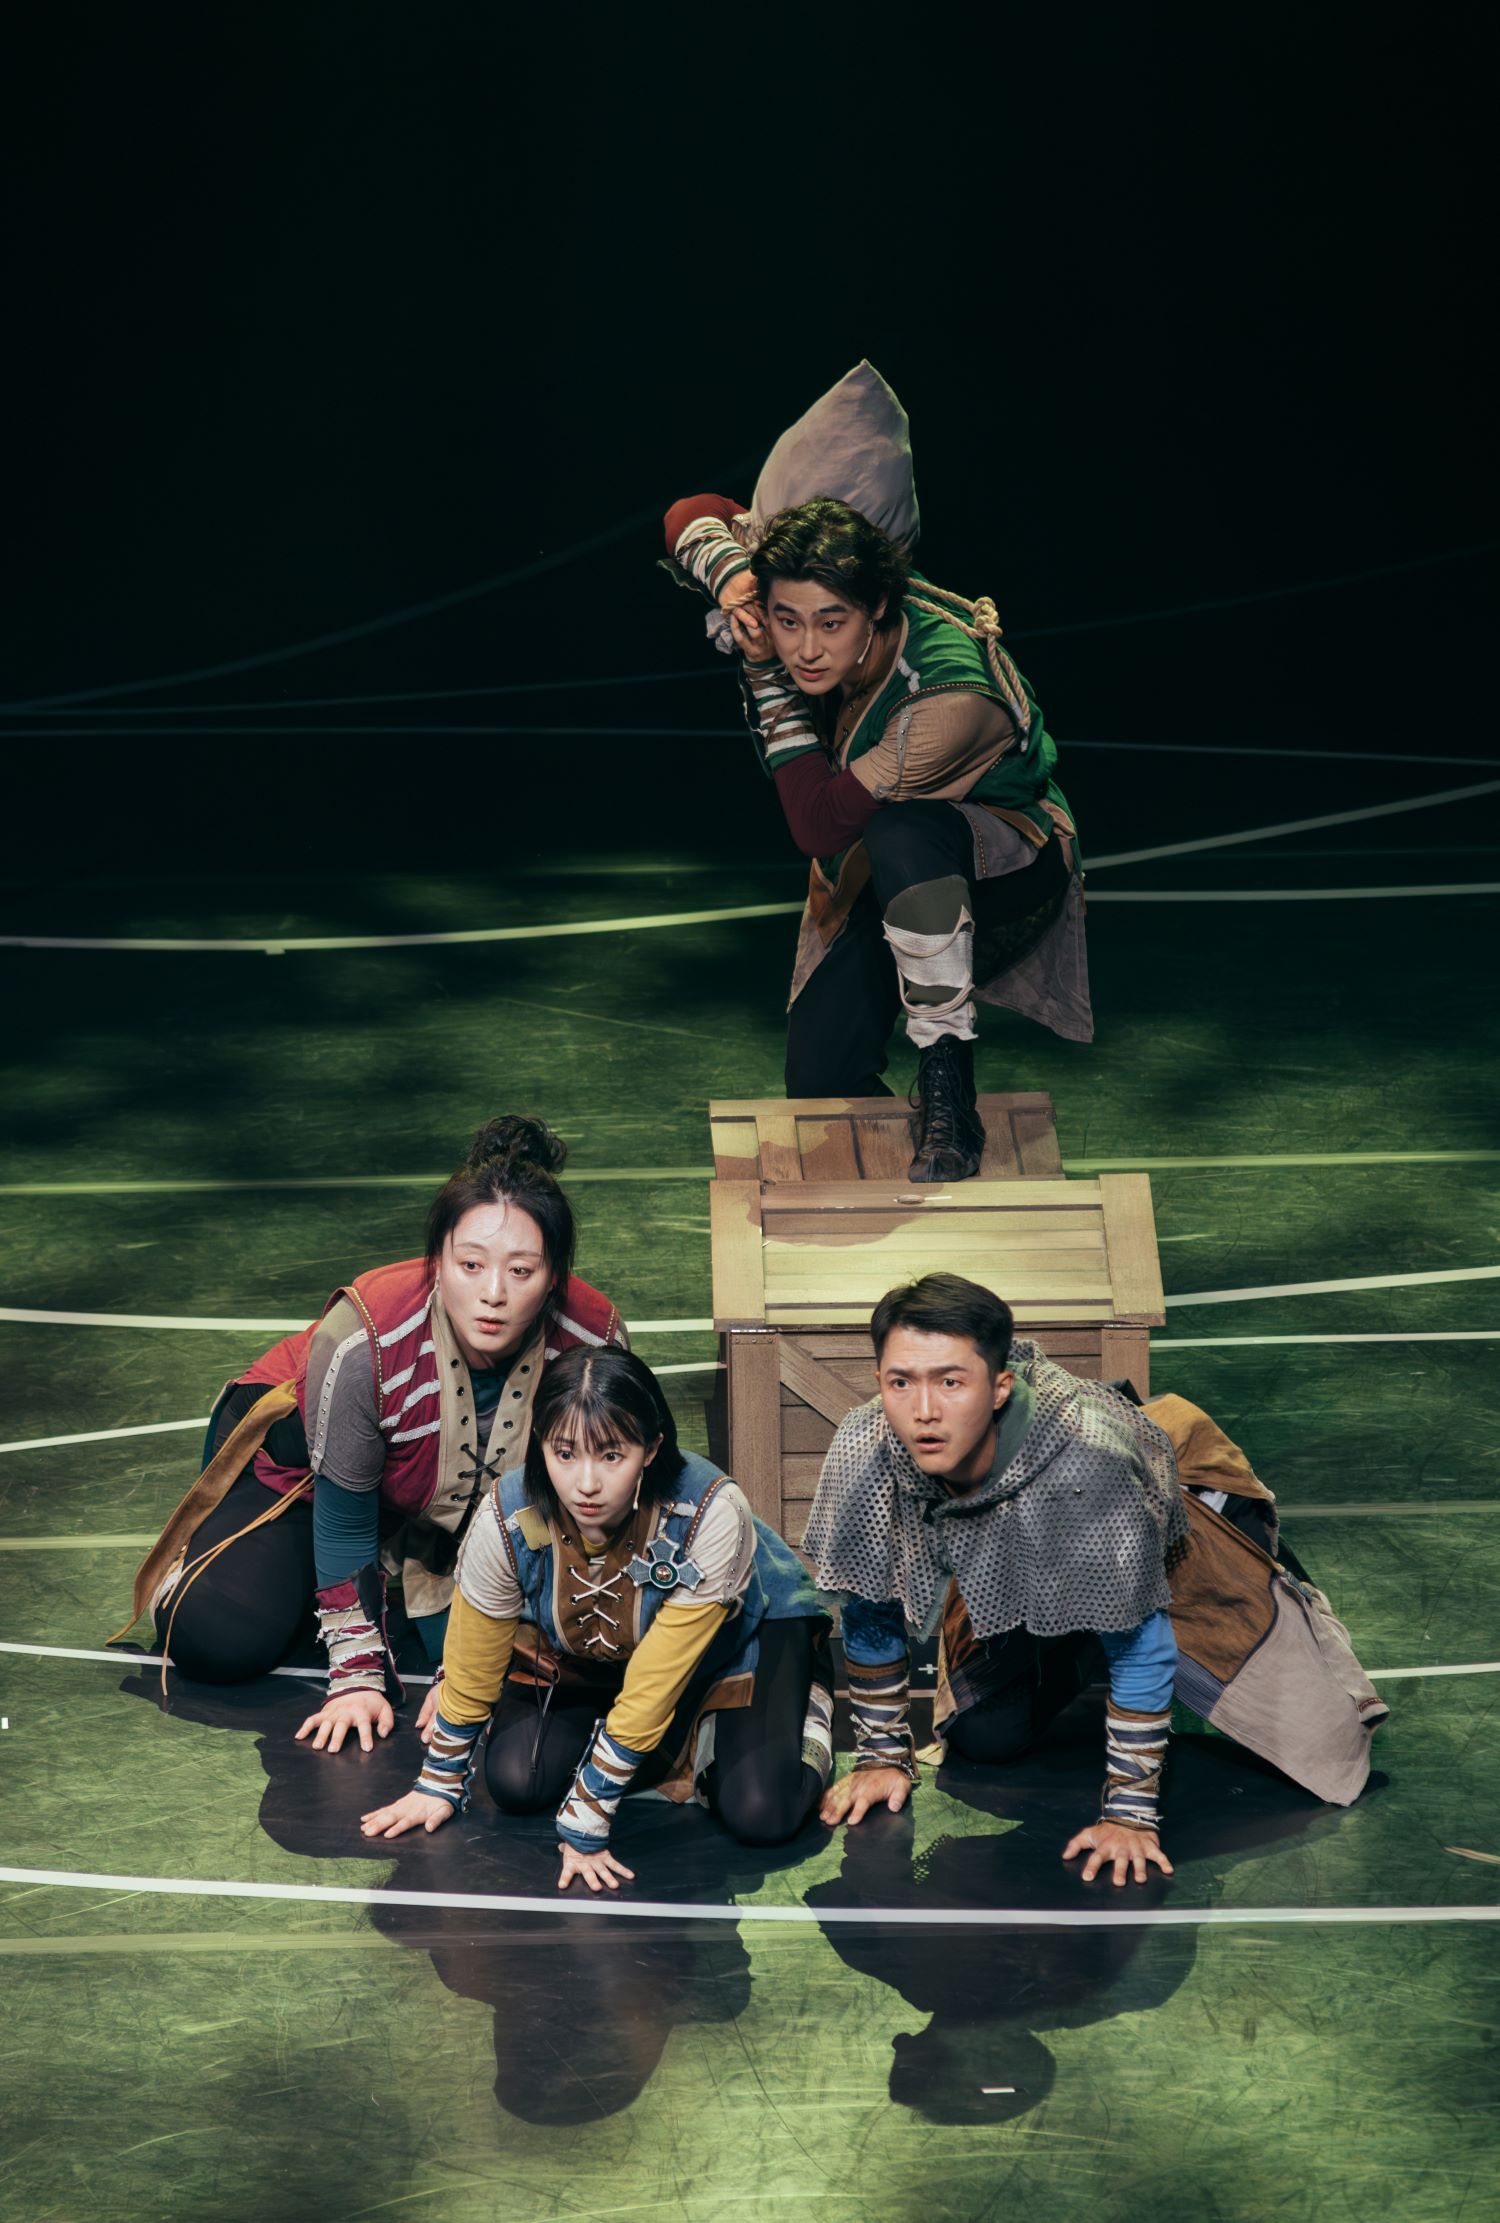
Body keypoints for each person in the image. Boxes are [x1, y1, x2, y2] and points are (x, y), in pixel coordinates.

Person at [804, 1273, 1385, 1887]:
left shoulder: (1088, 1464)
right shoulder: (863, 1448)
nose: (924, 1411)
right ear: (878, 1381)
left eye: (951, 1382)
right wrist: (882, 1755)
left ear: (1000, 1386)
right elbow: (869, 1603)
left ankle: (1273, 1575)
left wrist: (1130, 1814)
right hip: (1015, 1545)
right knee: (986, 1734)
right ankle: (1080, 1635)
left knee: (1322, 1741)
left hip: (1172, 1530)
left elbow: (1140, 1644)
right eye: (901, 1382)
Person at [663, 389, 1090, 1183]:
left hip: (1005, 860)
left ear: (878, 607)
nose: (805, 649)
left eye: (831, 623)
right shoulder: (810, 589)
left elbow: (819, 823)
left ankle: (948, 1086)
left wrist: (763, 674)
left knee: (903, 829)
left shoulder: (946, 700)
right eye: (786, 620)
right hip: (888, 873)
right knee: (819, 1080)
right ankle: (918, 1198)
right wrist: (732, 581)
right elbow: (692, 512)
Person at [127, 1117, 624, 1757]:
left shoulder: (593, 1344)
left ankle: (392, 1574)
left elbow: (582, 1516)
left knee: (538, 1664)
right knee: (218, 1635)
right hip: (312, 1479)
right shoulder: (366, 1340)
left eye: (522, 1270)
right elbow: (344, 1518)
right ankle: (253, 1572)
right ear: (438, 1262)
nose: (494, 1294)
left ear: (554, 1277)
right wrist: (357, 1674)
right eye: (471, 1265)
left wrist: (470, 1667)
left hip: (463, 1507)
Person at [360, 1347, 835, 1891]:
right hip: (597, 1653)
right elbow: (474, 1653)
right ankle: (678, 1743)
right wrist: (439, 1780)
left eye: (611, 1455)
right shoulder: (506, 1518)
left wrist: (591, 1810)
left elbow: (659, 1676)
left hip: (741, 1638)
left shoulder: (710, 1513)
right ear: (540, 1443)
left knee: (759, 1812)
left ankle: (803, 1701)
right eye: (564, 1453)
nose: (586, 1483)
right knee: (516, 1782)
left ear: (651, 1448)